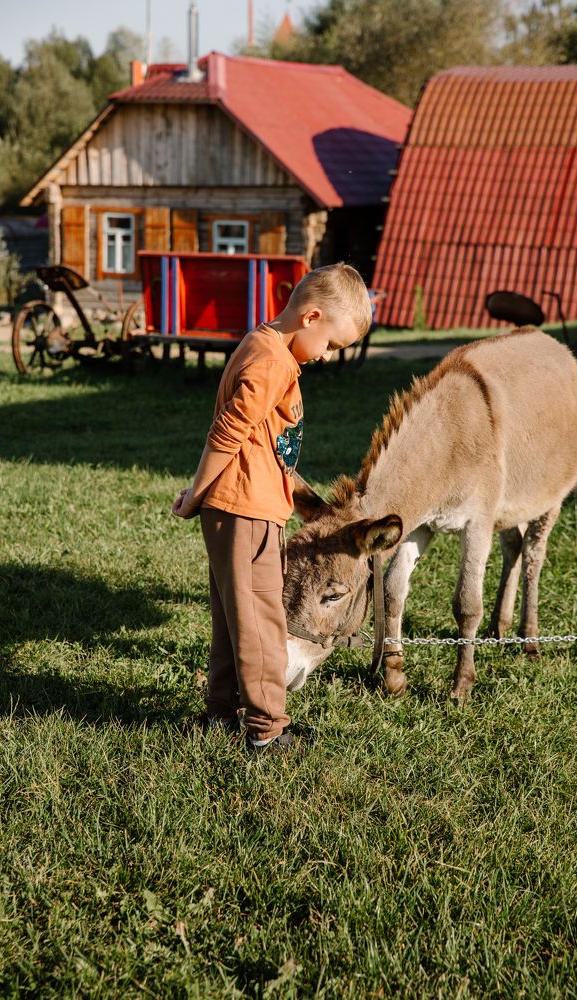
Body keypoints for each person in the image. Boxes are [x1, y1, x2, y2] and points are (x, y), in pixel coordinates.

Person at [172, 263, 372, 753]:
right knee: (261, 619)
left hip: (247, 506)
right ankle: (267, 730)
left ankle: (220, 712)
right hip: (244, 509)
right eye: (330, 344)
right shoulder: (271, 362)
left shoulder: (269, 349)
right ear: (311, 317)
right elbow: (226, 433)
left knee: (233, 612)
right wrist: (197, 492)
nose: (326, 356)